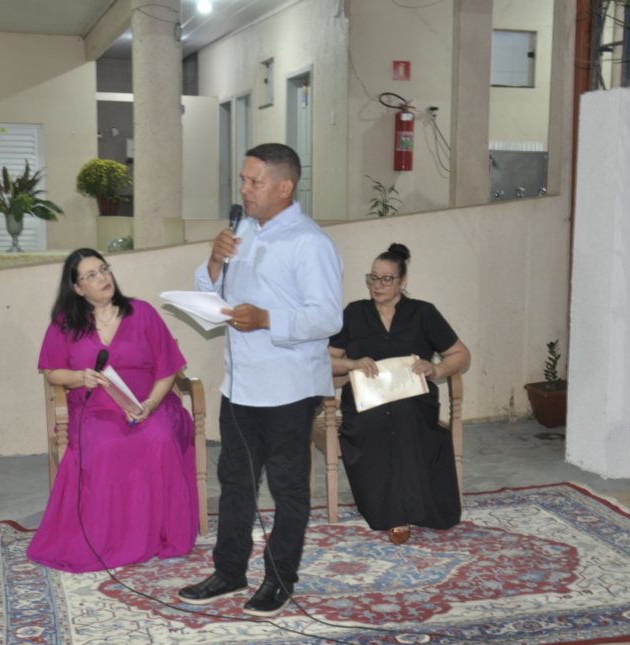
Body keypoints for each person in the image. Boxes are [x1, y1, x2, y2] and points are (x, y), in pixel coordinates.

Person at [178, 143, 343, 617]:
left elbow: (327, 318)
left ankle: (279, 579)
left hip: (290, 387)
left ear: (284, 187)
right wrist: (214, 262)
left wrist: (268, 318)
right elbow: (217, 296)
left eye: (255, 181)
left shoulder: (310, 242)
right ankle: (229, 571)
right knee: (235, 482)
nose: (244, 189)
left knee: (288, 487)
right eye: (243, 179)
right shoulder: (242, 230)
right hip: (241, 385)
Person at [26, 248, 198, 572]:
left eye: (104, 269)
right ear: (78, 288)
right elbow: (51, 372)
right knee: (105, 446)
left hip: (151, 403)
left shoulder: (142, 313)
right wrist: (79, 377)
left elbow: (168, 369)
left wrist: (150, 404)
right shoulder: (66, 323)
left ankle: (161, 535)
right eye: (91, 275)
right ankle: (111, 539)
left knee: (160, 438)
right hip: (94, 408)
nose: (102, 277)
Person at [328, 243, 471, 545]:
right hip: (365, 403)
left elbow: (461, 354)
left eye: (386, 279)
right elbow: (324, 361)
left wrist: (436, 369)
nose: (377, 285)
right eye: (373, 278)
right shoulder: (354, 313)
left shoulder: (424, 313)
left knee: (404, 415)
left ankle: (411, 510)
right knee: (381, 421)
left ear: (403, 281)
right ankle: (395, 513)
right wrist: (351, 363)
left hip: (414, 400)